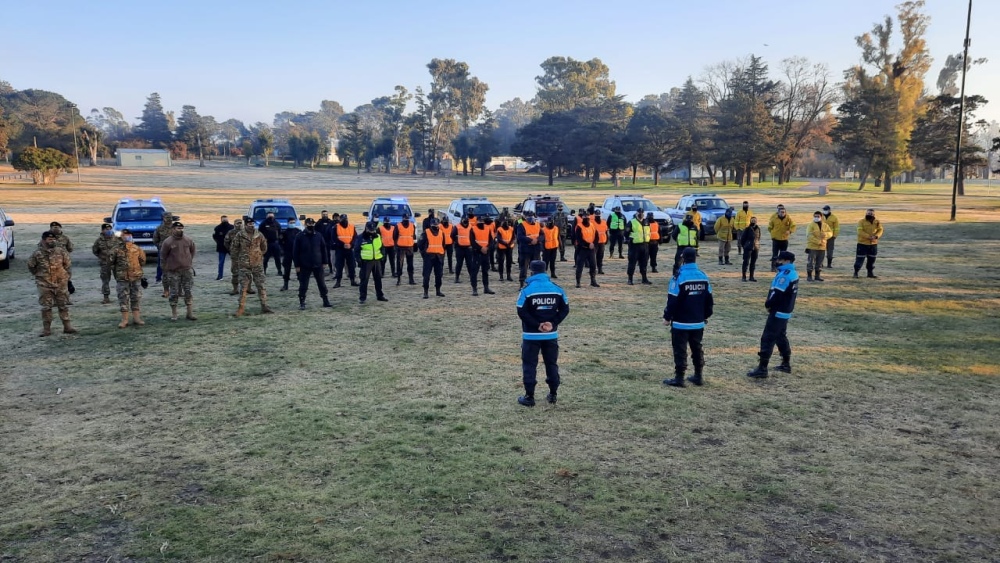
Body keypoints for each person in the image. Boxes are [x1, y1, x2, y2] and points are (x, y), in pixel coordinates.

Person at [516, 260, 570, 407]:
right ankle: (553, 394)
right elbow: (565, 309)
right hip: (550, 335)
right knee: (551, 364)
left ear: (531, 271)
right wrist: (552, 323)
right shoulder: (557, 289)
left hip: (531, 335)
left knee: (529, 365)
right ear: (545, 271)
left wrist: (536, 325)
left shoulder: (526, 290)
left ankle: (529, 397)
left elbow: (521, 311)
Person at [662, 247, 714, 387]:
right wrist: (705, 315)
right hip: (698, 322)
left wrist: (667, 317)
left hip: (681, 322)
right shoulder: (703, 276)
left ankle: (679, 378)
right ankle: (698, 376)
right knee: (697, 348)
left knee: (680, 349)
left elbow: (672, 300)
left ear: (682, 258)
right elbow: (709, 300)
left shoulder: (679, 277)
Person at [746, 251, 799, 379]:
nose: (777, 262)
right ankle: (786, 363)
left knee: (768, 338)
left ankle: (762, 368)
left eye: (779, 260)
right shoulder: (792, 273)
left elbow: (777, 294)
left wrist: (768, 304)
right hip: (785, 311)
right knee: (780, 336)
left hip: (778, 311)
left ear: (786, 261)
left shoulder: (784, 276)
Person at [27, 231, 76, 336]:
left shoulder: (61, 251)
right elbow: (31, 266)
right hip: (45, 285)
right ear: (43, 240)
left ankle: (67, 327)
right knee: (46, 307)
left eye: (53, 239)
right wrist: (40, 275)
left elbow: (67, 264)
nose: (52, 241)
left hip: (60, 283)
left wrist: (64, 277)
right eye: (50, 239)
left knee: (63, 305)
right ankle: (47, 329)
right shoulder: (37, 253)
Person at [230, 216, 273, 316]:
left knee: (261, 285)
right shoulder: (240, 235)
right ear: (246, 224)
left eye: (253, 224)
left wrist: (258, 255)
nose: (251, 226)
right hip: (244, 265)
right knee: (244, 287)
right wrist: (237, 260)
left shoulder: (259, 234)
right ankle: (241, 308)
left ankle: (264, 306)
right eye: (249, 224)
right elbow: (234, 248)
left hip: (257, 265)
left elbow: (264, 247)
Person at [108, 228, 147, 328]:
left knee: (136, 297)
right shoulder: (116, 249)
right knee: (123, 298)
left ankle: (137, 318)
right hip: (123, 278)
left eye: (128, 235)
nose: (127, 236)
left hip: (135, 277)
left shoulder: (136, 248)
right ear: (121, 236)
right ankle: (124, 320)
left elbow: (142, 261)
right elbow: (110, 262)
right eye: (124, 235)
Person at [160, 221, 197, 321]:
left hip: (186, 270)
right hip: (173, 271)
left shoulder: (188, 240)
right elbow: (163, 256)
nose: (180, 230)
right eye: (178, 228)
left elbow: (192, 250)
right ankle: (174, 314)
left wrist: (188, 261)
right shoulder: (168, 242)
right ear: (173, 229)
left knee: (188, 291)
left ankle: (189, 313)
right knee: (174, 293)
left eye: (181, 228)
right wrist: (166, 268)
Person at [292, 218, 331, 310]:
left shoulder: (318, 235)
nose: (311, 225)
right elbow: (295, 252)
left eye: (312, 223)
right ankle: (302, 302)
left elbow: (323, 249)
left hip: (318, 264)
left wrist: (325, 261)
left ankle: (325, 300)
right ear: (305, 225)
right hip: (304, 265)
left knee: (321, 284)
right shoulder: (300, 236)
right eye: (309, 223)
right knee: (303, 285)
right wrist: (297, 265)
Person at [354, 221, 388, 304]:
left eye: (373, 230)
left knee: (378, 279)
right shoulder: (360, 238)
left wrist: (382, 256)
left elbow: (382, 247)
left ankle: (380, 295)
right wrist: (359, 260)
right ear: (366, 228)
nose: (372, 231)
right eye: (370, 230)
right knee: (364, 280)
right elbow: (356, 250)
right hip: (366, 262)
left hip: (377, 261)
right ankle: (362, 297)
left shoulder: (378, 236)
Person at [92, 222, 121, 304]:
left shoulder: (117, 239)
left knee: (120, 280)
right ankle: (106, 297)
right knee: (105, 281)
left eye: (110, 229)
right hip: (105, 263)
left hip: (116, 263)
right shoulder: (99, 241)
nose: (108, 230)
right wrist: (103, 257)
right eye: (106, 229)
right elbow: (95, 251)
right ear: (102, 230)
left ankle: (121, 296)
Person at [418, 217, 447, 299]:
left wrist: (442, 255)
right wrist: (424, 254)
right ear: (431, 225)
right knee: (426, 275)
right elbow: (420, 244)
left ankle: (438, 291)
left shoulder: (441, 233)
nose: (436, 226)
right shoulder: (426, 233)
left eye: (437, 224)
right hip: (429, 257)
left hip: (438, 257)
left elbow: (443, 245)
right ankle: (425, 292)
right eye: (434, 225)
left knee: (439, 275)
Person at [46, 221, 76, 296]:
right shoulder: (46, 238)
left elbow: (70, 248)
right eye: (53, 227)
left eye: (57, 227)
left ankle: (66, 294)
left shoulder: (65, 238)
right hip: (52, 262)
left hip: (64, 262)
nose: (55, 229)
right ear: (50, 228)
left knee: (66, 278)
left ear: (60, 228)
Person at [516, 212, 544, 287]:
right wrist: (531, 240)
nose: (530, 218)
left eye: (531, 216)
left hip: (536, 249)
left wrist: (537, 240)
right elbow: (520, 237)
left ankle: (534, 283)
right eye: (528, 216)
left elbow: (542, 235)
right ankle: (522, 284)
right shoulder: (521, 225)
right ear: (525, 217)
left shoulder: (537, 224)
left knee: (535, 267)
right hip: (525, 250)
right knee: (524, 267)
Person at [854, 208, 883, 279]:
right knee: (859, 259)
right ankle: (856, 272)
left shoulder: (877, 222)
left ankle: (870, 273)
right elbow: (860, 231)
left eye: (871, 214)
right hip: (862, 244)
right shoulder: (861, 222)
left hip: (873, 244)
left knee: (872, 259)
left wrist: (876, 236)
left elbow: (880, 230)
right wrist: (869, 237)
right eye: (868, 213)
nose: (869, 214)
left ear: (874, 214)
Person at [331, 214, 358, 288]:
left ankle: (353, 281)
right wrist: (343, 245)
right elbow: (334, 238)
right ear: (340, 220)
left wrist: (351, 245)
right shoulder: (336, 227)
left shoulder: (352, 227)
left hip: (349, 249)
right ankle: (338, 282)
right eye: (343, 219)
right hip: (340, 249)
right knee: (339, 266)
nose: (344, 220)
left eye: (345, 219)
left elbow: (355, 237)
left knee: (352, 265)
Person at [470, 218, 496, 295]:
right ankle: (474, 289)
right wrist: (481, 248)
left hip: (485, 253)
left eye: (482, 222)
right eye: (479, 222)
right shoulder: (473, 229)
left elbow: (491, 241)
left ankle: (486, 288)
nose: (481, 223)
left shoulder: (488, 229)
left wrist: (487, 248)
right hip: (477, 253)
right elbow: (472, 241)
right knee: (474, 272)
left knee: (485, 271)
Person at [573, 212, 600, 288]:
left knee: (593, 265)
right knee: (580, 266)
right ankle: (578, 282)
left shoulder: (592, 225)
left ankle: (593, 281)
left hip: (591, 249)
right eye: (585, 217)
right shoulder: (579, 227)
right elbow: (579, 239)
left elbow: (596, 236)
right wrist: (588, 245)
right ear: (582, 218)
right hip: (582, 249)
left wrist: (594, 244)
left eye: (588, 217)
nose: (587, 219)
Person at [805, 210, 833, 282]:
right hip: (812, 247)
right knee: (810, 262)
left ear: (821, 217)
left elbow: (830, 233)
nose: (816, 218)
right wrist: (818, 242)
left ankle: (817, 276)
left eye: (818, 216)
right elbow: (809, 235)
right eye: (815, 216)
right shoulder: (811, 225)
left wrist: (826, 235)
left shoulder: (825, 225)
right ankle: (809, 276)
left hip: (822, 247)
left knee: (819, 262)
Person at [767, 204, 796, 272]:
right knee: (775, 254)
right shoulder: (774, 218)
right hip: (776, 239)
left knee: (783, 255)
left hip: (784, 239)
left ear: (785, 212)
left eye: (783, 212)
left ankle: (782, 266)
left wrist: (790, 231)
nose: (782, 213)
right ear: (778, 212)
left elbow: (793, 226)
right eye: (781, 212)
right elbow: (769, 227)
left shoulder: (788, 218)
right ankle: (773, 267)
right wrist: (773, 233)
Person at [625, 212, 650, 285]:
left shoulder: (646, 222)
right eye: (639, 213)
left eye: (642, 213)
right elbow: (626, 233)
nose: (641, 214)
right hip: (634, 246)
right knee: (632, 263)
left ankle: (644, 279)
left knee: (644, 263)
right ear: (636, 214)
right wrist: (630, 240)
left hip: (644, 245)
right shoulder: (632, 222)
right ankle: (630, 279)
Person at [224, 218, 246, 295]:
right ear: (234, 224)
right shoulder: (230, 233)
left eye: (241, 223)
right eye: (237, 223)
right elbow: (226, 242)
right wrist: (231, 250)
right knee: (235, 273)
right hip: (235, 256)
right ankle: (235, 289)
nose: (239, 225)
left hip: (245, 256)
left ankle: (247, 288)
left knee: (247, 273)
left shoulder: (247, 232)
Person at [279, 217, 302, 291]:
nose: (292, 224)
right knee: (287, 269)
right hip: (288, 253)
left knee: (299, 269)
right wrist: (283, 250)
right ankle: (285, 285)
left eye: (293, 222)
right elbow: (281, 242)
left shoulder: (298, 231)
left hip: (297, 253)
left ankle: (301, 285)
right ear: (288, 223)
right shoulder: (285, 232)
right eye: (291, 223)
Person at [393, 215, 417, 286]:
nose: (406, 220)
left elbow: (413, 236)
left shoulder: (412, 226)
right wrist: (396, 246)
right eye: (405, 218)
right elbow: (394, 236)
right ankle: (399, 279)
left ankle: (411, 279)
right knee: (400, 264)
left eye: (407, 219)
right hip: (401, 247)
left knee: (410, 264)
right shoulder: (398, 226)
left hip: (409, 247)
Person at [152, 211, 174, 285]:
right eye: (167, 218)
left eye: (170, 218)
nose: (169, 220)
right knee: (161, 265)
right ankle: (159, 279)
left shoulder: (175, 227)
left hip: (174, 250)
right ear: (163, 218)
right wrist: (160, 246)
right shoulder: (159, 228)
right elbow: (155, 239)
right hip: (163, 250)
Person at [740, 217, 762, 282]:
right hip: (748, 247)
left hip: (756, 247)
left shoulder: (758, 229)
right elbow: (742, 239)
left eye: (755, 220)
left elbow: (758, 237)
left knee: (753, 263)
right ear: (750, 221)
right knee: (746, 262)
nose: (754, 222)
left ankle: (751, 277)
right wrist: (745, 246)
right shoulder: (747, 229)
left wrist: (757, 244)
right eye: (752, 220)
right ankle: (744, 276)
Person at [453, 215, 474, 284]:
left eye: (466, 221)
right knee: (459, 263)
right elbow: (452, 235)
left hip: (468, 248)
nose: (465, 222)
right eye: (464, 220)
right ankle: (456, 277)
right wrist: (456, 242)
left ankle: (472, 277)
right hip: (459, 248)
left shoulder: (471, 227)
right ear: (461, 220)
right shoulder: (457, 227)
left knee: (470, 263)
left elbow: (473, 236)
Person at [212, 215, 234, 281]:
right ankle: (220, 276)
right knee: (221, 262)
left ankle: (235, 275)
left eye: (226, 219)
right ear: (221, 220)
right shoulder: (217, 228)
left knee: (234, 262)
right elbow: (215, 237)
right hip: (221, 248)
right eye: (224, 220)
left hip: (231, 247)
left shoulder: (232, 227)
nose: (225, 221)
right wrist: (219, 243)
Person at [315, 210, 335, 274]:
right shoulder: (318, 223)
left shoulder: (331, 222)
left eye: (326, 214)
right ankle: (320, 269)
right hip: (320, 242)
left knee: (330, 257)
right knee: (320, 256)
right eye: (323, 214)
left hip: (329, 242)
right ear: (321, 215)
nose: (325, 215)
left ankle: (331, 269)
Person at [592, 209, 609, 275]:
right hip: (594, 242)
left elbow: (606, 231)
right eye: (596, 215)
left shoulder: (604, 222)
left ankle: (600, 269)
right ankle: (593, 269)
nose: (598, 216)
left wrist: (606, 239)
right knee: (593, 257)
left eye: (598, 215)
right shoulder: (592, 223)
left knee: (600, 256)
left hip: (602, 242)